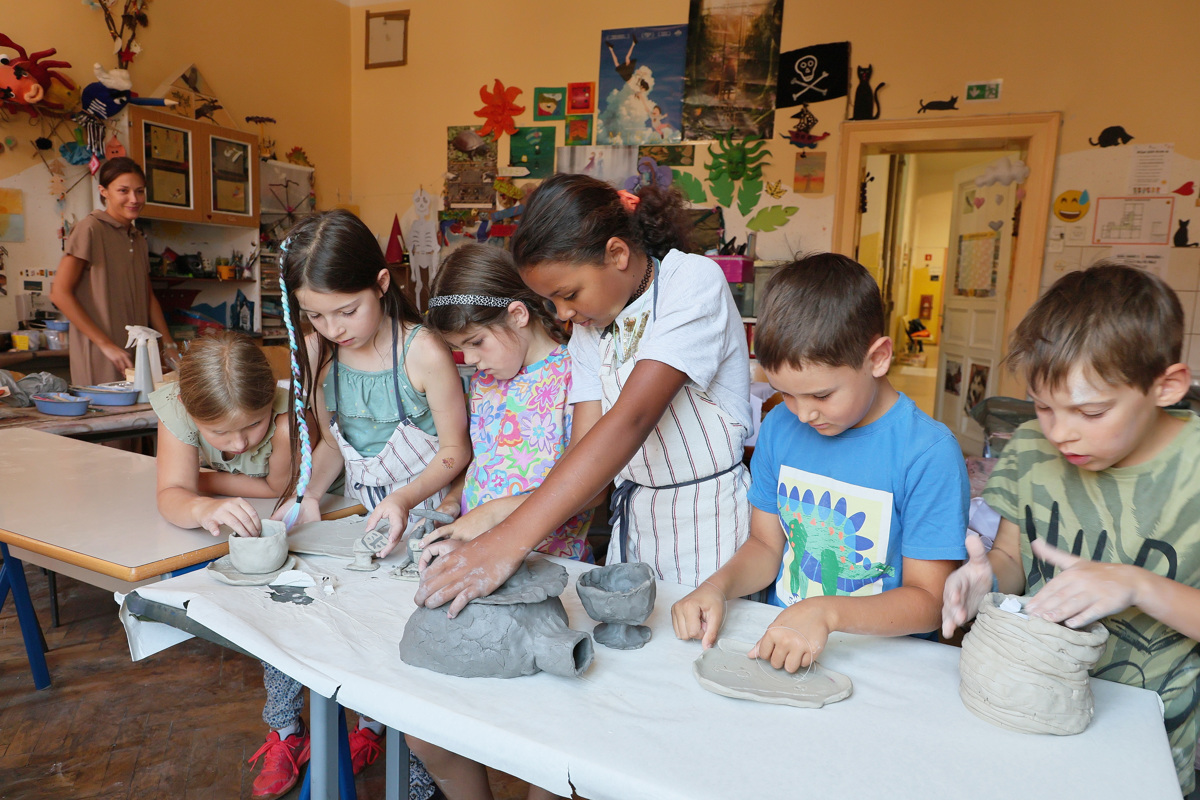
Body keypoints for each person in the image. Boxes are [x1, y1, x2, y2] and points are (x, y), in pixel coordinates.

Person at [416, 173, 753, 617]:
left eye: (569, 294)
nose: (563, 314)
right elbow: (584, 453)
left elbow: (631, 419)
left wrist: (504, 542)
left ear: (617, 254)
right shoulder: (591, 332)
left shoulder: (691, 283)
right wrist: (491, 520)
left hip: (707, 530)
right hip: (635, 527)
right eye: (551, 302)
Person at [941, 262, 1200, 794]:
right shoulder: (1032, 448)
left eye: (1092, 411)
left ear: (1167, 386)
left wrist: (1136, 584)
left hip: (1146, 736)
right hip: (1025, 711)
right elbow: (1012, 560)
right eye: (1043, 406)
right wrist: (985, 580)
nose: (1061, 432)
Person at [673, 254, 968, 672]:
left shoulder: (928, 453)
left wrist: (826, 613)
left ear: (878, 358)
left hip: (886, 665)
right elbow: (766, 545)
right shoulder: (780, 426)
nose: (803, 413)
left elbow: (930, 601)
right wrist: (717, 587)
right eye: (786, 393)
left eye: (822, 395)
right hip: (783, 648)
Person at [272, 209, 470, 796]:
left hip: (429, 520)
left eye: (346, 310)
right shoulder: (322, 353)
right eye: (314, 314)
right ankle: (357, 729)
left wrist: (405, 500)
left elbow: (456, 452)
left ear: (382, 284)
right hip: (368, 521)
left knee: (412, 659)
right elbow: (335, 445)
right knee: (338, 631)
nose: (333, 327)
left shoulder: (422, 351)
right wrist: (309, 497)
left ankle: (418, 773)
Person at [409, 242, 596, 800]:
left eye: (475, 342)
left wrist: (491, 514)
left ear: (517, 314)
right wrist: (453, 505)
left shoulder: (574, 377)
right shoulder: (487, 379)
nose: (469, 360)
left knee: (553, 751)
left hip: (551, 579)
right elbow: (481, 462)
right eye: (459, 349)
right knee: (432, 732)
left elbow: (585, 491)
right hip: (475, 571)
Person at [150, 332, 307, 800]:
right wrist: (199, 505)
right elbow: (170, 496)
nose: (239, 442)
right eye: (220, 433)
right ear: (187, 407)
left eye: (254, 425)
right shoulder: (176, 406)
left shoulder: (286, 417)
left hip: (313, 519)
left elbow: (278, 489)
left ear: (271, 400)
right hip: (245, 525)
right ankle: (287, 730)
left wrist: (200, 482)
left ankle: (347, 728)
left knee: (288, 615)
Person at [51, 157, 178, 385]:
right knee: (106, 407)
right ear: (104, 191)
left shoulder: (138, 239)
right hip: (101, 352)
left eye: (140, 191)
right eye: (123, 191)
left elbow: (148, 296)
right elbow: (60, 294)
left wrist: (168, 344)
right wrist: (106, 345)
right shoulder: (90, 228)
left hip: (137, 352)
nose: (134, 199)